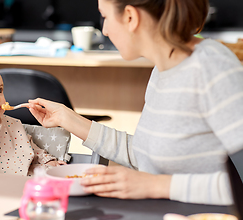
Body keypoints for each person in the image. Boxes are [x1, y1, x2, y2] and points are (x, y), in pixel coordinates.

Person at [27, 0, 243, 205]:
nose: (105, 30)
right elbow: (146, 155)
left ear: (130, 16)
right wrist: (67, 118)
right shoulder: (163, 68)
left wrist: (155, 186)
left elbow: (238, 181)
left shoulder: (213, 67)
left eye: (105, 17)